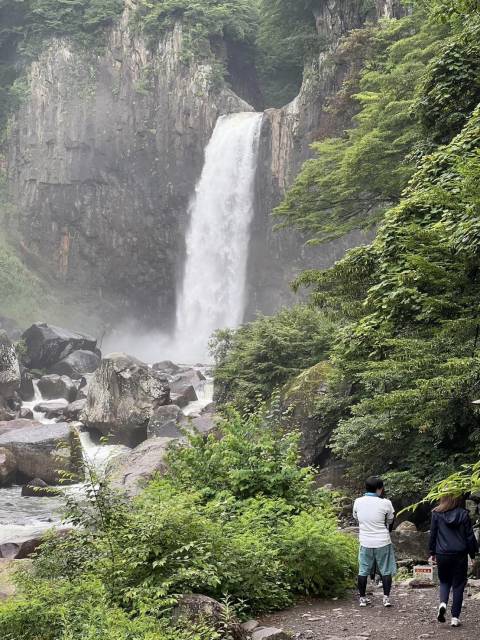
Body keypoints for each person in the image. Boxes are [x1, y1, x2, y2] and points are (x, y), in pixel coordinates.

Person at [429, 494, 478, 628]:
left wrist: (432, 552)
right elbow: (469, 536)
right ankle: (455, 618)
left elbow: (433, 534)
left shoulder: (436, 513)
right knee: (458, 585)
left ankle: (443, 603)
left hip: (442, 553)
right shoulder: (464, 514)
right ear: (457, 499)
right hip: (460, 554)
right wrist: (473, 555)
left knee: (444, 581)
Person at [353, 476, 396, 607]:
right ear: (379, 489)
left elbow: (356, 517)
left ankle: (362, 599)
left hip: (365, 541)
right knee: (386, 570)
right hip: (382, 541)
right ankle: (386, 598)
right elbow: (390, 520)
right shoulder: (386, 503)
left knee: (363, 570)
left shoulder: (358, 502)